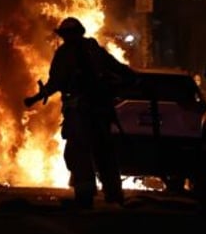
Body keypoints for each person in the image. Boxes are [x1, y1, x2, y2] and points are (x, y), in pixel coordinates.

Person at [24, 16, 134, 208]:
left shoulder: (66, 53)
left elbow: (56, 82)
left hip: (80, 111)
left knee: (78, 152)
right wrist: (133, 77)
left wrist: (35, 98)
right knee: (104, 151)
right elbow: (115, 67)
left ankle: (85, 195)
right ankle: (114, 194)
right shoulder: (93, 49)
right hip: (100, 110)